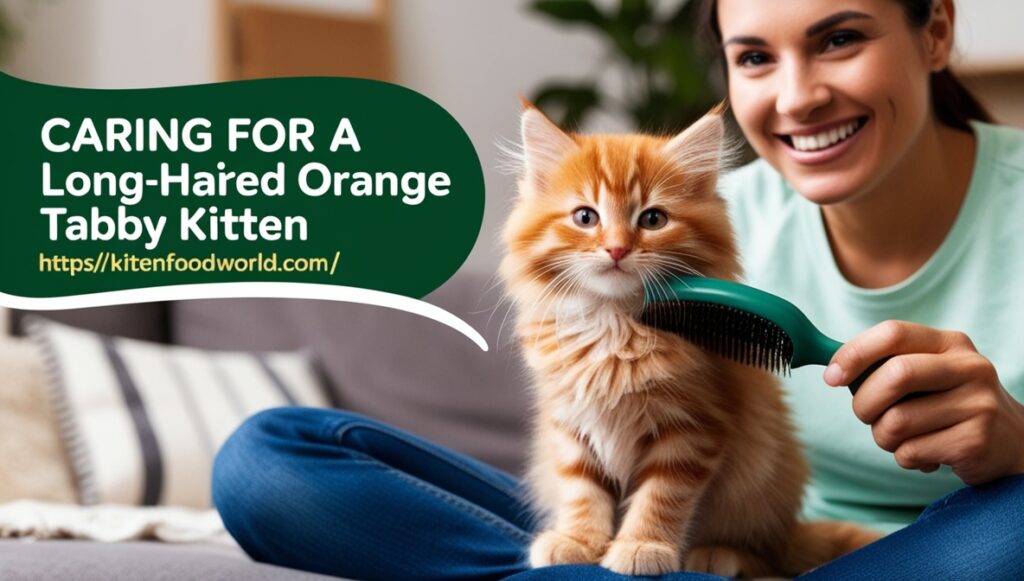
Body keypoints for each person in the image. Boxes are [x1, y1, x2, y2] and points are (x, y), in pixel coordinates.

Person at [212, 0, 1024, 578]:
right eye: (753, 57)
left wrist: (1019, 445)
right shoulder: (700, 214)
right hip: (670, 533)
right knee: (268, 461)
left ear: (937, 31)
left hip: (928, 552)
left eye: (839, 39)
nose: (797, 94)